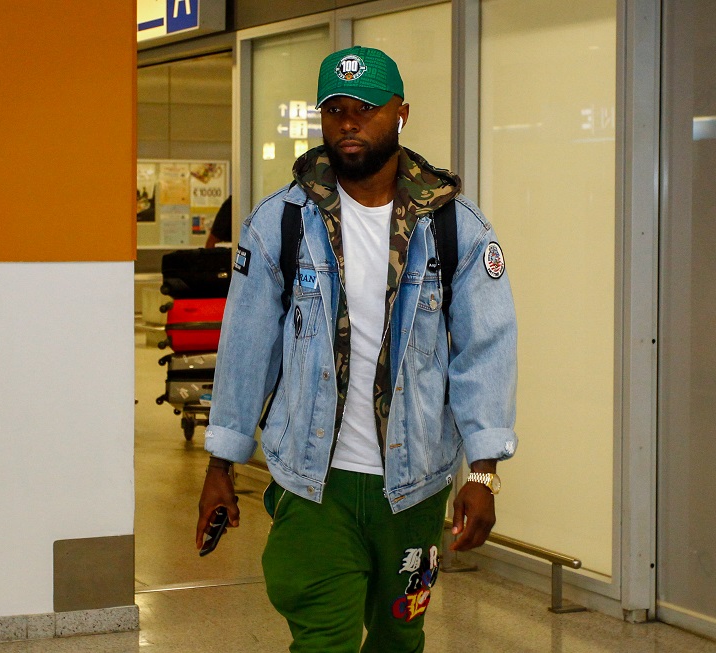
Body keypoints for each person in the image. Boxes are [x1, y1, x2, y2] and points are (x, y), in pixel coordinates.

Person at [195, 45, 517, 653]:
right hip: (313, 481)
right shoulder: (281, 222)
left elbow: (485, 349)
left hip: (415, 483)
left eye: (366, 109)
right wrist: (220, 465)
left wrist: (484, 471)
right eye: (335, 109)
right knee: (324, 640)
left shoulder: (455, 227)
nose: (349, 123)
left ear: (401, 114)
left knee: (400, 638)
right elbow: (246, 348)